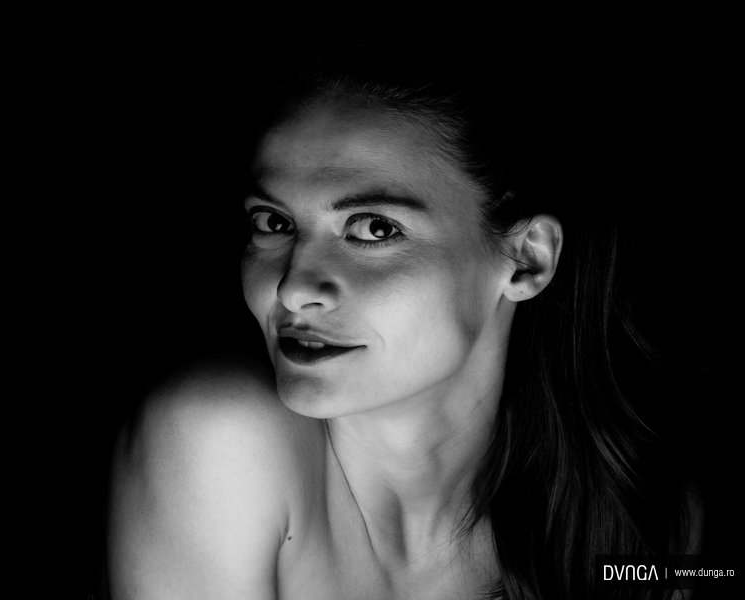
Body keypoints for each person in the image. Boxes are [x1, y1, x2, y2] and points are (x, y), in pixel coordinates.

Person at [107, 48, 701, 600]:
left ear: (527, 259)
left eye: (374, 229)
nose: (291, 288)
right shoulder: (218, 440)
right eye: (274, 223)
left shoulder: (636, 516)